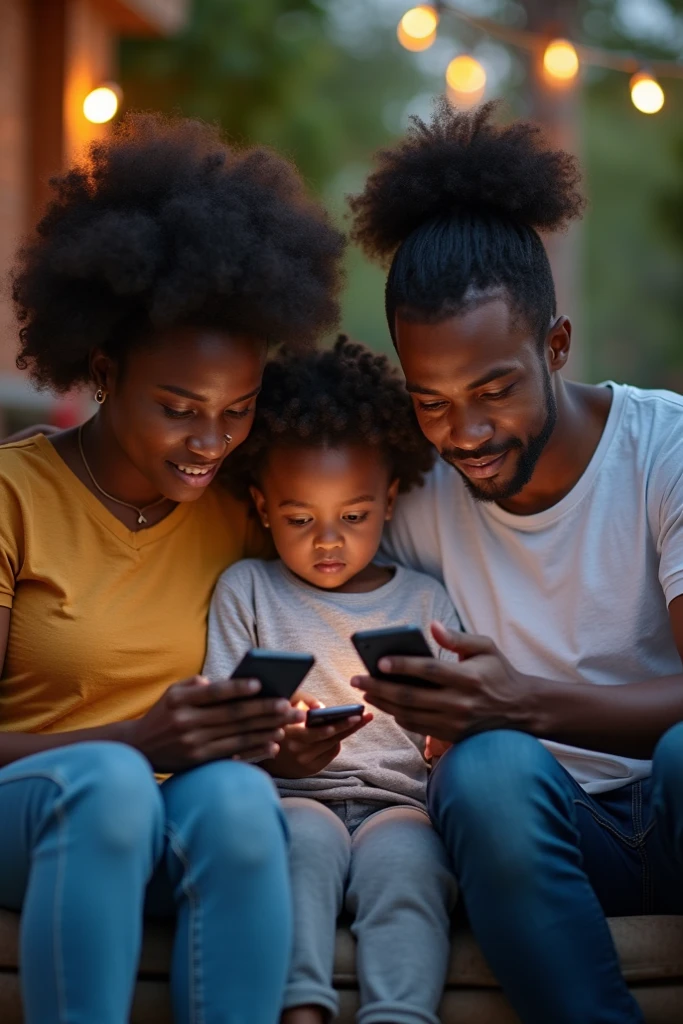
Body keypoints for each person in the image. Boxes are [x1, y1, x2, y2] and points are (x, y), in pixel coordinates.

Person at [0, 112, 344, 1024]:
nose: (211, 443)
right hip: (33, 807)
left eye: (237, 411)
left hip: (172, 813)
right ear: (104, 370)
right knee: (111, 787)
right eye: (179, 408)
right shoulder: (13, 497)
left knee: (237, 797)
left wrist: (283, 741)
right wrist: (133, 744)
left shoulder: (238, 508)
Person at [347, 100, 683, 1024]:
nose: (466, 433)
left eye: (494, 388)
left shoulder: (664, 451)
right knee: (485, 770)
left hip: (673, 806)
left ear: (556, 344)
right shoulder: (411, 496)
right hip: (537, 838)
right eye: (432, 401)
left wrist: (521, 702)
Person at [204, 337, 459, 1024]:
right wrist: (273, 744)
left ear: (389, 499)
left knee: (409, 872)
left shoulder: (427, 602)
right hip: (288, 799)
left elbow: (457, 726)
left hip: (396, 805)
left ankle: (399, 1016)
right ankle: (300, 1011)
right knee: (300, 852)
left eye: (352, 517)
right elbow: (219, 732)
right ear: (260, 506)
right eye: (298, 519)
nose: (326, 541)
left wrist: (438, 730)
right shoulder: (247, 590)